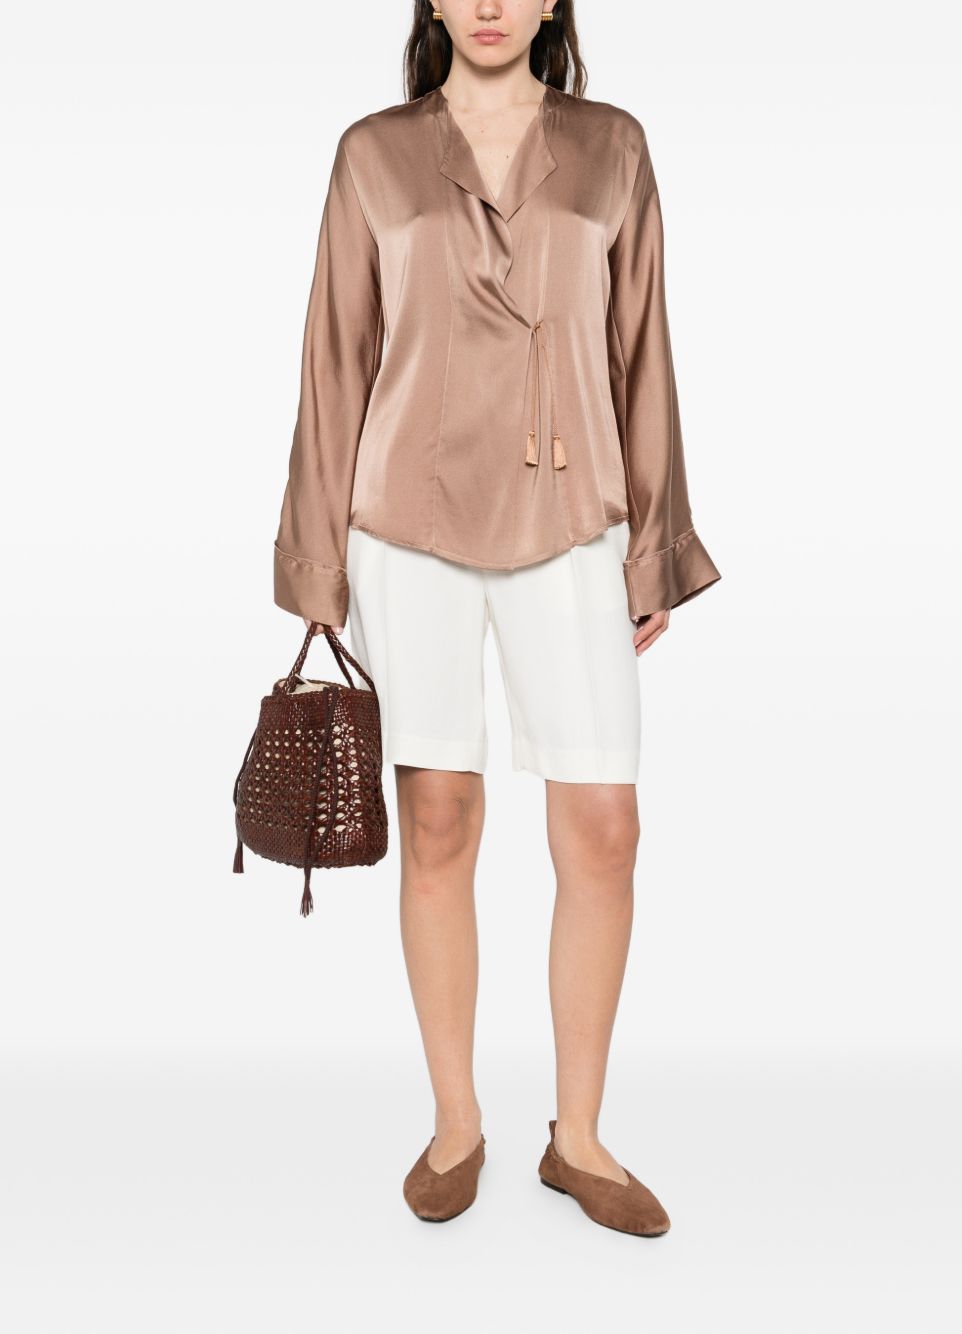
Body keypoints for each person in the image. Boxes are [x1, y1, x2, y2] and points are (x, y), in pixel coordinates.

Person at [272, 0, 720, 1236]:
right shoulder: (372, 154)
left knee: (605, 825)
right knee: (439, 817)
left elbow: (642, 350)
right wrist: (317, 568)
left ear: (551, 3)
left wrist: (655, 547)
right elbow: (334, 359)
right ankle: (456, 1121)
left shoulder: (613, 145)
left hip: (572, 511)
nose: (486, 4)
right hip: (406, 522)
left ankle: (577, 1137)